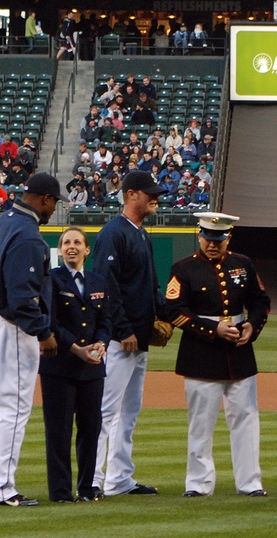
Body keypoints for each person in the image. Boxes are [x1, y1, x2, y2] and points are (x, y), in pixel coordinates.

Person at [0, 173, 67, 507]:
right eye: (54, 202)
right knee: (13, 407)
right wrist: (43, 331)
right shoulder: (27, 234)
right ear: (44, 199)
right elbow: (22, 295)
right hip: (12, 324)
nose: (54, 209)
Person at [165, 212, 271, 498]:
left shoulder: (243, 264)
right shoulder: (184, 269)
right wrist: (214, 329)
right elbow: (174, 311)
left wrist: (252, 326)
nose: (213, 244)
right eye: (208, 238)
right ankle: (198, 484)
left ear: (228, 238)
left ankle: (250, 483)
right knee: (200, 423)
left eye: (219, 239)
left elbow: (260, 301)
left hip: (239, 351)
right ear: (200, 236)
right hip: (201, 353)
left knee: (246, 420)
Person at [91, 170, 168, 497]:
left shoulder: (141, 233)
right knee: (106, 411)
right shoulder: (114, 233)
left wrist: (163, 314)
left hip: (139, 339)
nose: (156, 198)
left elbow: (150, 286)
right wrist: (122, 328)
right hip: (119, 340)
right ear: (131, 194)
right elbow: (105, 286)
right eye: (149, 193)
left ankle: (119, 478)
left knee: (129, 411)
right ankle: (92, 479)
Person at [40, 227, 111, 504]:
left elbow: (105, 321)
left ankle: (87, 487)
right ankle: (60, 492)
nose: (72, 247)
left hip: (92, 367)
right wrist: (77, 349)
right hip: (59, 364)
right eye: (66, 242)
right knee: (59, 430)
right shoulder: (52, 279)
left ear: (87, 249)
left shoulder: (98, 282)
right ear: (59, 250)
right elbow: (52, 322)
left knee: (91, 427)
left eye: (77, 242)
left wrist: (102, 343)